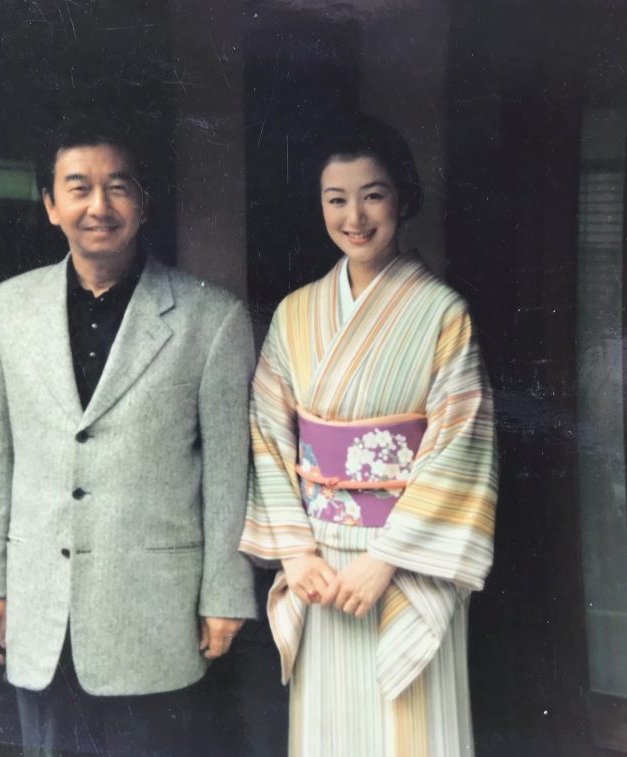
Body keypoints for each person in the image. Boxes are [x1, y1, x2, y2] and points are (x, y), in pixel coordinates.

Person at [0, 117, 257, 756]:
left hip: (155, 609)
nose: (99, 206)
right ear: (50, 205)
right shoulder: (0, 311)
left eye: (118, 187)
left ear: (143, 203)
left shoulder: (211, 318)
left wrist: (225, 591)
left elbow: (229, 469)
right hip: (39, 606)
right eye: (78, 188)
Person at [239, 115, 498, 756]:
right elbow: (269, 435)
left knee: (412, 730)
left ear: (403, 198)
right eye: (336, 199)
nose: (354, 217)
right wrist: (295, 555)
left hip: (409, 565)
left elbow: (459, 445)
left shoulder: (443, 314)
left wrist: (385, 560)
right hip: (319, 565)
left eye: (373, 195)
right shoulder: (295, 313)